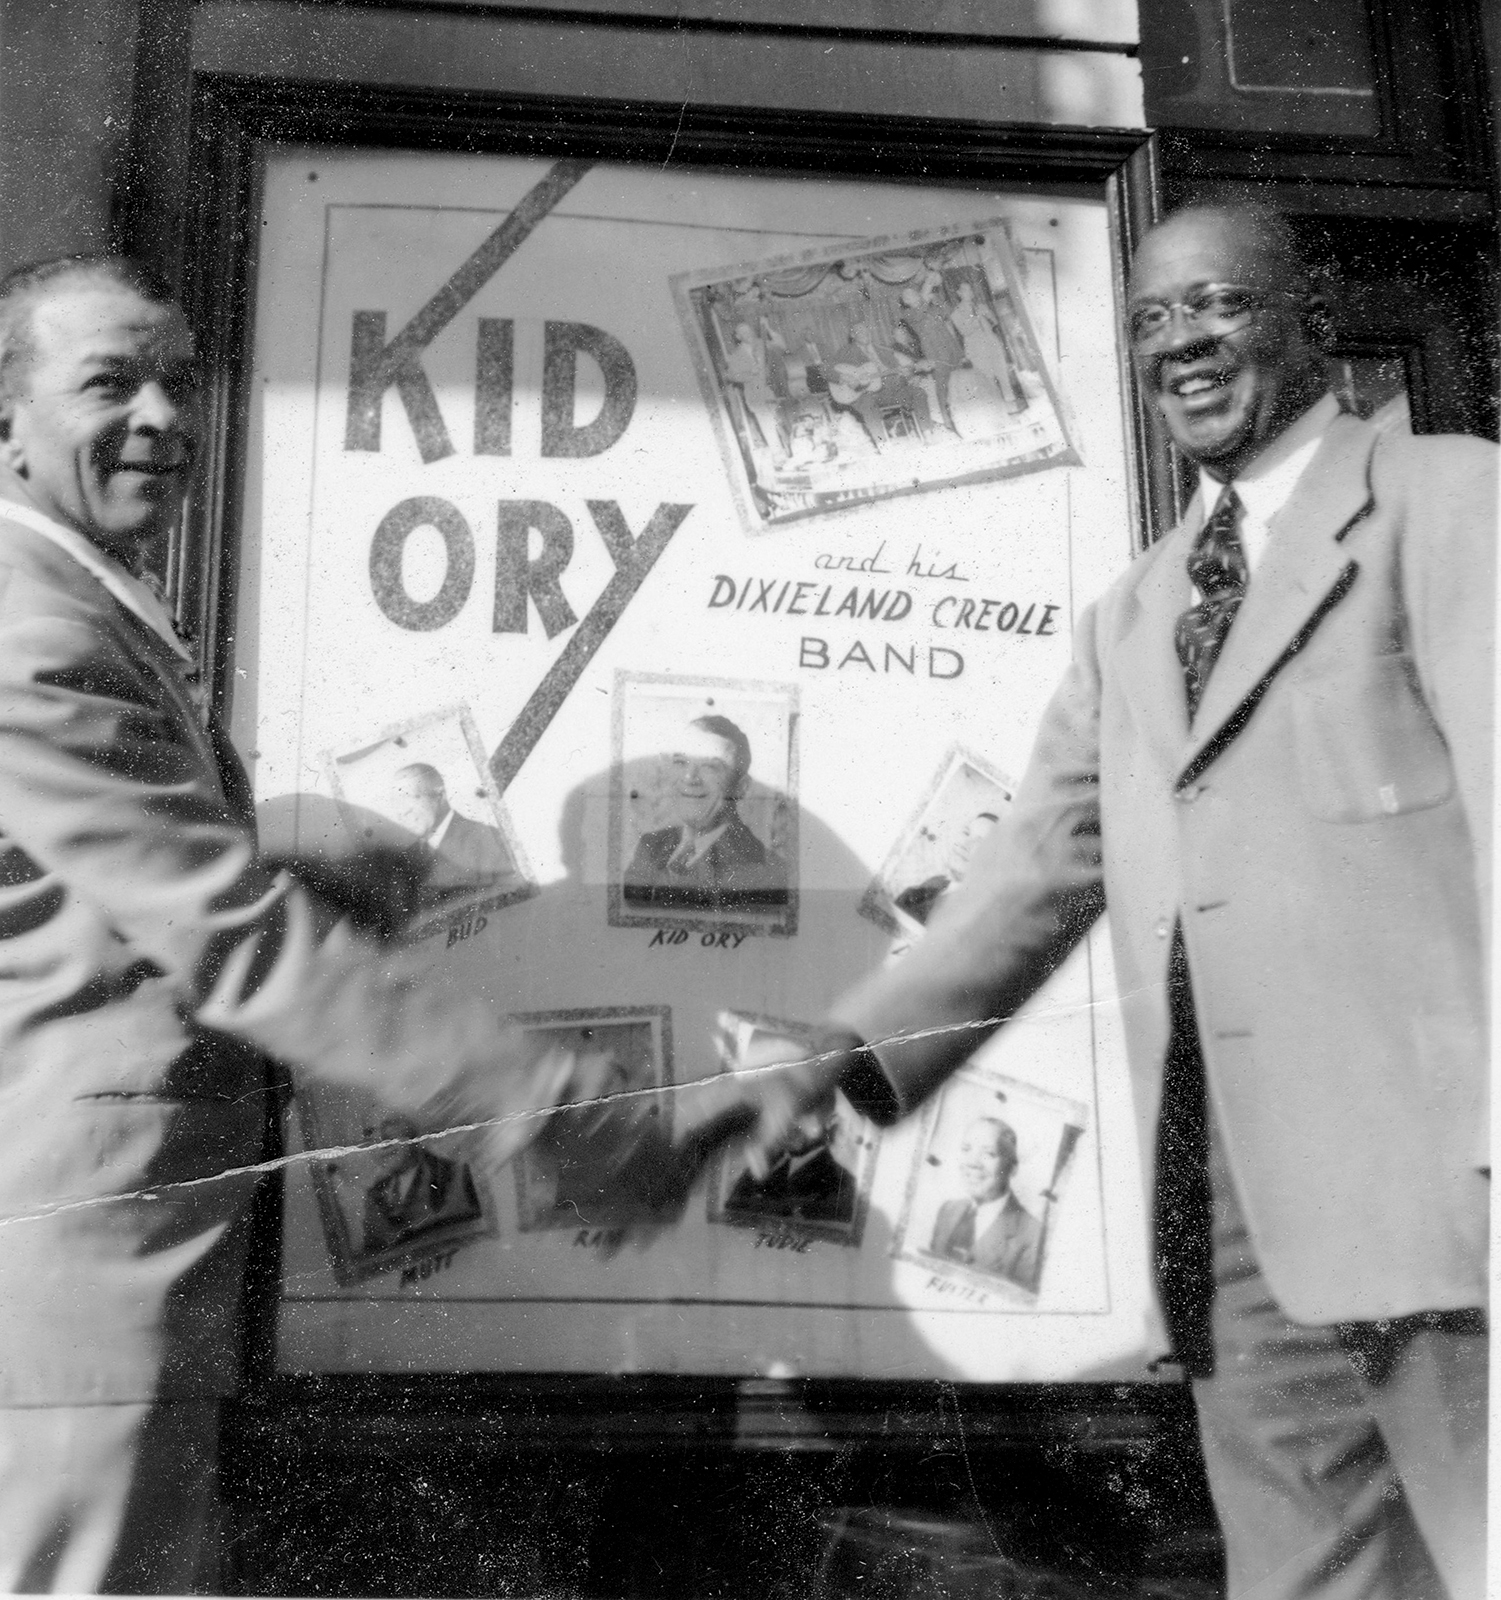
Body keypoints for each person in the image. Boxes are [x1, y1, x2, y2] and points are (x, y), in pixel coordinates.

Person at [722, 205, 1494, 1600]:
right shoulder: (1132, 616)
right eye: (1149, 321)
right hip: (1233, 1226)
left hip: (1451, 1198)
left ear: (1312, 322)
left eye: (1219, 304)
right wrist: (841, 1058)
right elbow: (1036, 864)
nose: (1181, 344)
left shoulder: (1450, 499)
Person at [0, 254, 609, 1592]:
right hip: (74, 1260)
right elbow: (219, 931)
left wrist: (288, 838)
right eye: (110, 383)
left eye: (179, 380)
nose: (162, 416)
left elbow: (87, 874)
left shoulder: (84, 596)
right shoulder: (31, 618)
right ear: (6, 423)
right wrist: (534, 1092)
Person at [623, 714, 788, 913]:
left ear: (741, 787)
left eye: (711, 766)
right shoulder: (650, 846)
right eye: (681, 761)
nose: (689, 777)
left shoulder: (764, 871)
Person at [928, 1116, 1042, 1292]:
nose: (972, 1163)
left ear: (1012, 1168)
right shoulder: (948, 1210)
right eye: (966, 1149)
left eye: (989, 1154)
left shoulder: (1034, 1236)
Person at [389, 761, 519, 904]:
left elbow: (514, 902)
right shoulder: (404, 860)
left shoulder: (486, 837)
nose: (403, 811)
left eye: (412, 797)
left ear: (440, 795)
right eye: (397, 802)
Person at [360, 1114, 485, 1257]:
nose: (381, 1144)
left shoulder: (456, 1176)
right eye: (369, 1133)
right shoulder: (374, 1195)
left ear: (413, 1133)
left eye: (389, 1125)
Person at [724, 1108, 855, 1227]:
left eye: (800, 1118)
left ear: (827, 1121)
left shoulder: (839, 1171)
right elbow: (733, 1206)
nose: (787, 1128)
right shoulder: (772, 1160)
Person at [828, 320, 933, 449]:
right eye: (859, 331)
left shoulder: (884, 349)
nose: (864, 333)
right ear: (852, 335)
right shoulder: (846, 352)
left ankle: (928, 434)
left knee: (918, 392)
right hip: (870, 394)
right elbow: (825, 369)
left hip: (894, 391)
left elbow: (902, 368)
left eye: (866, 330)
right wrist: (843, 377)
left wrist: (912, 372)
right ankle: (882, 443)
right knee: (867, 403)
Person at [894, 809, 1000, 926]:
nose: (964, 843)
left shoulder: (976, 913)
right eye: (966, 832)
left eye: (981, 843)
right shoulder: (938, 881)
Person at [898, 279, 965, 432]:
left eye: (914, 293)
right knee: (942, 385)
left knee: (958, 380)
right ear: (906, 301)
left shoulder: (929, 305)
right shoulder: (908, 314)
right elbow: (920, 315)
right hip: (934, 352)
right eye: (909, 296)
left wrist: (937, 301)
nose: (913, 296)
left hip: (949, 346)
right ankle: (946, 419)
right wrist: (926, 297)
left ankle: (961, 413)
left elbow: (947, 314)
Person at [947, 280, 1020, 412]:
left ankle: (1012, 404)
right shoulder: (955, 314)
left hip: (991, 342)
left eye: (970, 290)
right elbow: (965, 331)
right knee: (987, 378)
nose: (969, 293)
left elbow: (995, 323)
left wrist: (989, 314)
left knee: (1002, 373)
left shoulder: (981, 306)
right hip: (976, 349)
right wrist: (977, 317)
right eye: (965, 290)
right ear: (959, 293)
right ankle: (999, 409)